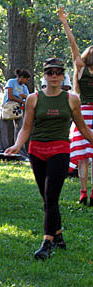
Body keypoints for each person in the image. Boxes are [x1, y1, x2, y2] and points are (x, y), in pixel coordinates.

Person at [5, 58, 93, 260]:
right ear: (44, 75)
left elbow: (83, 127)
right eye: (50, 72)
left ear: (63, 76)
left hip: (60, 150)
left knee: (51, 197)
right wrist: (17, 146)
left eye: (58, 72)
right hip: (37, 151)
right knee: (47, 198)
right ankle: (59, 235)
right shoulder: (34, 99)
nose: (54, 76)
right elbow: (26, 128)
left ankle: (47, 243)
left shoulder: (71, 99)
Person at [59, 7, 93, 205]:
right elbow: (73, 45)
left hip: (83, 113)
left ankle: (83, 191)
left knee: (83, 156)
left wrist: (65, 23)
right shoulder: (81, 67)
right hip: (88, 113)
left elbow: (73, 44)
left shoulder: (80, 68)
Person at [0, 69, 31, 159]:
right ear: (22, 77)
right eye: (26, 79)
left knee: (20, 128)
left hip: (18, 109)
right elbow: (10, 96)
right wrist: (21, 99)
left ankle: (20, 150)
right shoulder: (11, 82)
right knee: (4, 128)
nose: (26, 82)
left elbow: (28, 97)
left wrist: (24, 99)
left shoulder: (24, 87)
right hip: (7, 107)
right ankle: (3, 149)